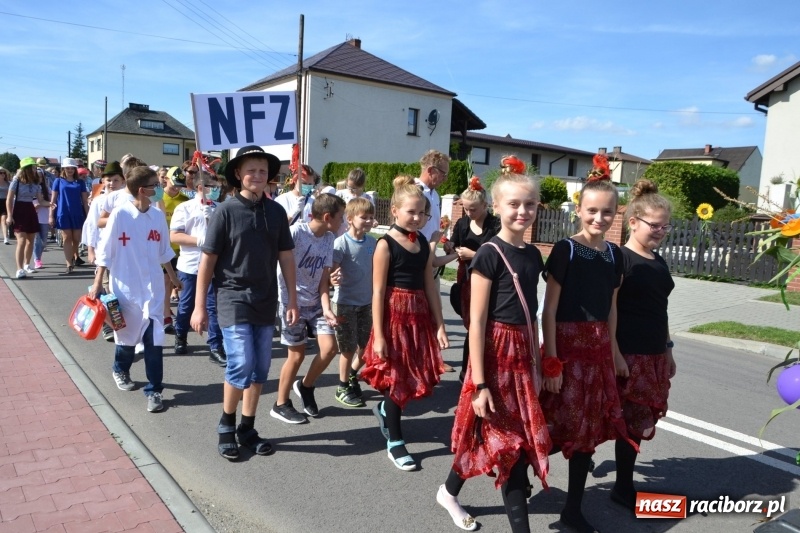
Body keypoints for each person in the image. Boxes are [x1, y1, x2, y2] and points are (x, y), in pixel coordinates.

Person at [439, 168, 551, 533]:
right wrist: (481, 383)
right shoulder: (489, 254)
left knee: (489, 436)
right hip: (494, 356)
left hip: (523, 354)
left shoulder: (533, 255)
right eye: (514, 204)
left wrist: (541, 361)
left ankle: (448, 490)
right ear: (497, 206)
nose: (523, 211)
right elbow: (477, 322)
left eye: (529, 204)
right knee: (508, 445)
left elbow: (534, 313)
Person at [539, 154, 636, 533]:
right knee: (553, 421)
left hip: (597, 352)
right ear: (579, 210)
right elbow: (549, 309)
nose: (600, 218)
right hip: (566, 347)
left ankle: (572, 509)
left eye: (608, 212)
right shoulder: (566, 249)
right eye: (592, 210)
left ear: (618, 214)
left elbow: (611, 310)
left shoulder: (615, 254)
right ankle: (519, 471)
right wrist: (551, 360)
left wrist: (613, 354)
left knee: (588, 432)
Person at [190, 145, 298, 461]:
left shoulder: (276, 212)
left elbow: (287, 257)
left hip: (266, 299)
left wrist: (292, 298)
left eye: (263, 171)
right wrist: (199, 306)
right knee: (240, 362)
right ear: (238, 174)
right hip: (232, 298)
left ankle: (247, 429)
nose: (257, 176)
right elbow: (207, 261)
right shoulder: (225, 211)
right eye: (251, 170)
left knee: (261, 369)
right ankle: (226, 425)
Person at [361, 175, 449, 471]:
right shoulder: (385, 245)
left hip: (418, 317)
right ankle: (395, 441)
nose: (417, 217)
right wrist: (381, 335)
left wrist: (439, 325)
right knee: (396, 379)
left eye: (422, 212)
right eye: (410, 211)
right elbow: (377, 292)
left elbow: (429, 285)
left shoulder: (423, 242)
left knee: (411, 376)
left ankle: (386, 410)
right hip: (393, 320)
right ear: (395, 211)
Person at [88, 166, 182, 414]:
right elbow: (105, 252)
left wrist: (174, 278)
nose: (159, 187)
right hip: (126, 289)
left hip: (152, 292)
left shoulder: (157, 216)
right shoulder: (120, 215)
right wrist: (98, 284)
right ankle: (120, 368)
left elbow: (164, 252)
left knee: (154, 343)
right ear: (143, 190)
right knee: (127, 340)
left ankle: (154, 390)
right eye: (155, 184)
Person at [611, 179, 676, 510]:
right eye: (655, 225)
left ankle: (623, 486)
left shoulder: (658, 260)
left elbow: (660, 307)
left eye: (665, 226)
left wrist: (667, 348)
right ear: (633, 222)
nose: (661, 231)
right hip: (627, 355)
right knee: (604, 421)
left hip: (652, 354)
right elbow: (608, 311)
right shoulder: (621, 259)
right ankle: (527, 462)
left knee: (635, 424)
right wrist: (615, 353)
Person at [270, 193, 345, 423]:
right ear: (326, 216)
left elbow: (323, 280)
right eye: (341, 217)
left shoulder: (328, 238)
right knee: (297, 355)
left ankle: (305, 386)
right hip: (291, 303)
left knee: (330, 348)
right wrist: (291, 300)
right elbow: (279, 268)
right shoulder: (296, 233)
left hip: (316, 303)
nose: (344, 222)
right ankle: (280, 403)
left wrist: (327, 309)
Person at [170, 170, 225, 366]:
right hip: (191, 265)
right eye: (213, 187)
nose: (217, 191)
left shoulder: (220, 208)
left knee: (214, 307)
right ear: (201, 188)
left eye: (218, 188)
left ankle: (215, 346)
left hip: (215, 266)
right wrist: (200, 240)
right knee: (186, 305)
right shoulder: (185, 208)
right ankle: (181, 335)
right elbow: (175, 236)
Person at [449, 174, 502, 377]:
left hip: (489, 278)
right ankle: (467, 372)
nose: (469, 213)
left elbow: (498, 250)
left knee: (483, 325)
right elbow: (453, 243)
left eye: (473, 209)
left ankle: (476, 370)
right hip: (466, 280)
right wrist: (450, 247)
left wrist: (474, 255)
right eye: (465, 208)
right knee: (472, 326)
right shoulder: (462, 223)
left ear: (485, 205)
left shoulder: (494, 224)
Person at [330, 197, 376, 407]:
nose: (368, 221)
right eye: (363, 217)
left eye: (370, 217)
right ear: (349, 219)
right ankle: (342, 386)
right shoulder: (341, 243)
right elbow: (331, 271)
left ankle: (352, 375)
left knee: (367, 348)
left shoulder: (372, 243)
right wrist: (332, 277)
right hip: (345, 303)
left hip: (366, 303)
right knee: (347, 349)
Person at [159, 166, 189, 336]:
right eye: (173, 183)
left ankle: (179, 316)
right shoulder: (157, 197)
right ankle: (166, 316)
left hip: (181, 249)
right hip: (163, 248)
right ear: (166, 179)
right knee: (165, 282)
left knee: (178, 283)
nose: (176, 187)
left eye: (179, 184)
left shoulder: (184, 200)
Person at [6, 158, 45, 279]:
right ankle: (19, 269)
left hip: (30, 210)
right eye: (32, 167)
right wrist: (9, 215)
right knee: (21, 241)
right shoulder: (16, 181)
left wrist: (51, 204)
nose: (35, 169)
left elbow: (41, 200)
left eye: (35, 167)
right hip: (19, 210)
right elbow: (9, 199)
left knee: (30, 241)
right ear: (26, 169)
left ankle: (27, 264)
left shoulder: (35, 183)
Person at [50, 158, 89, 274]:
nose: (70, 170)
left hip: (77, 213)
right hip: (63, 213)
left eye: (72, 168)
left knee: (77, 238)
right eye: (68, 168)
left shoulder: (80, 182)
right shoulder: (58, 181)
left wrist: (88, 215)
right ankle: (69, 264)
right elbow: (53, 200)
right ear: (63, 168)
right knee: (67, 238)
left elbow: (85, 201)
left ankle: (73, 255)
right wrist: (50, 216)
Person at [31, 168, 52, 270]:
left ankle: (38, 256)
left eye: (40, 176)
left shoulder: (46, 189)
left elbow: (51, 201)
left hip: (44, 217)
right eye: (36, 175)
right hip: (33, 217)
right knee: (36, 240)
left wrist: (52, 204)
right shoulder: (30, 188)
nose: (38, 178)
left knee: (43, 241)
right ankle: (37, 259)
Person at [0, 166, 11, 244]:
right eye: (1, 173)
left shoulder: (8, 183)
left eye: (4, 173)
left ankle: (6, 238)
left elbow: (10, 194)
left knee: (4, 220)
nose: (3, 174)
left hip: (5, 202)